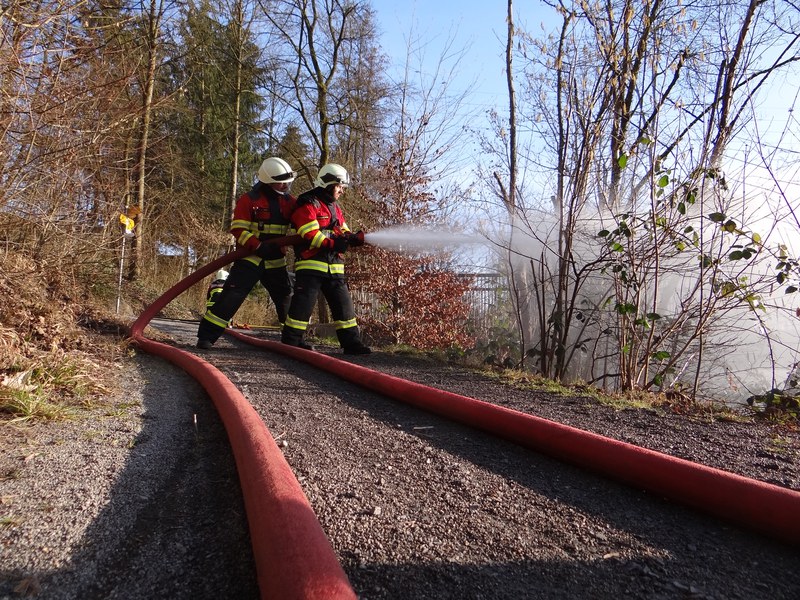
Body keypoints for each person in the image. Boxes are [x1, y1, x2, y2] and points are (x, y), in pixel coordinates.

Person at [196, 157, 297, 349]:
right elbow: (238, 230)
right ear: (268, 180)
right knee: (230, 297)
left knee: (286, 299)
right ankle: (206, 337)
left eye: (287, 180)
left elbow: (303, 222)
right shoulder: (249, 200)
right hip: (250, 258)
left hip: (275, 260)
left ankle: (293, 339)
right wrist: (258, 246)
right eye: (281, 181)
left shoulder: (290, 202)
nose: (285, 185)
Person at [281, 163, 371, 354]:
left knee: (344, 306)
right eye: (340, 186)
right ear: (329, 183)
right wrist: (334, 244)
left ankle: (352, 343)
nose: (342, 191)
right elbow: (309, 233)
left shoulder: (334, 207)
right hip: (311, 264)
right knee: (303, 305)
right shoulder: (308, 202)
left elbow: (341, 228)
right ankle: (292, 341)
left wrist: (351, 237)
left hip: (334, 266)